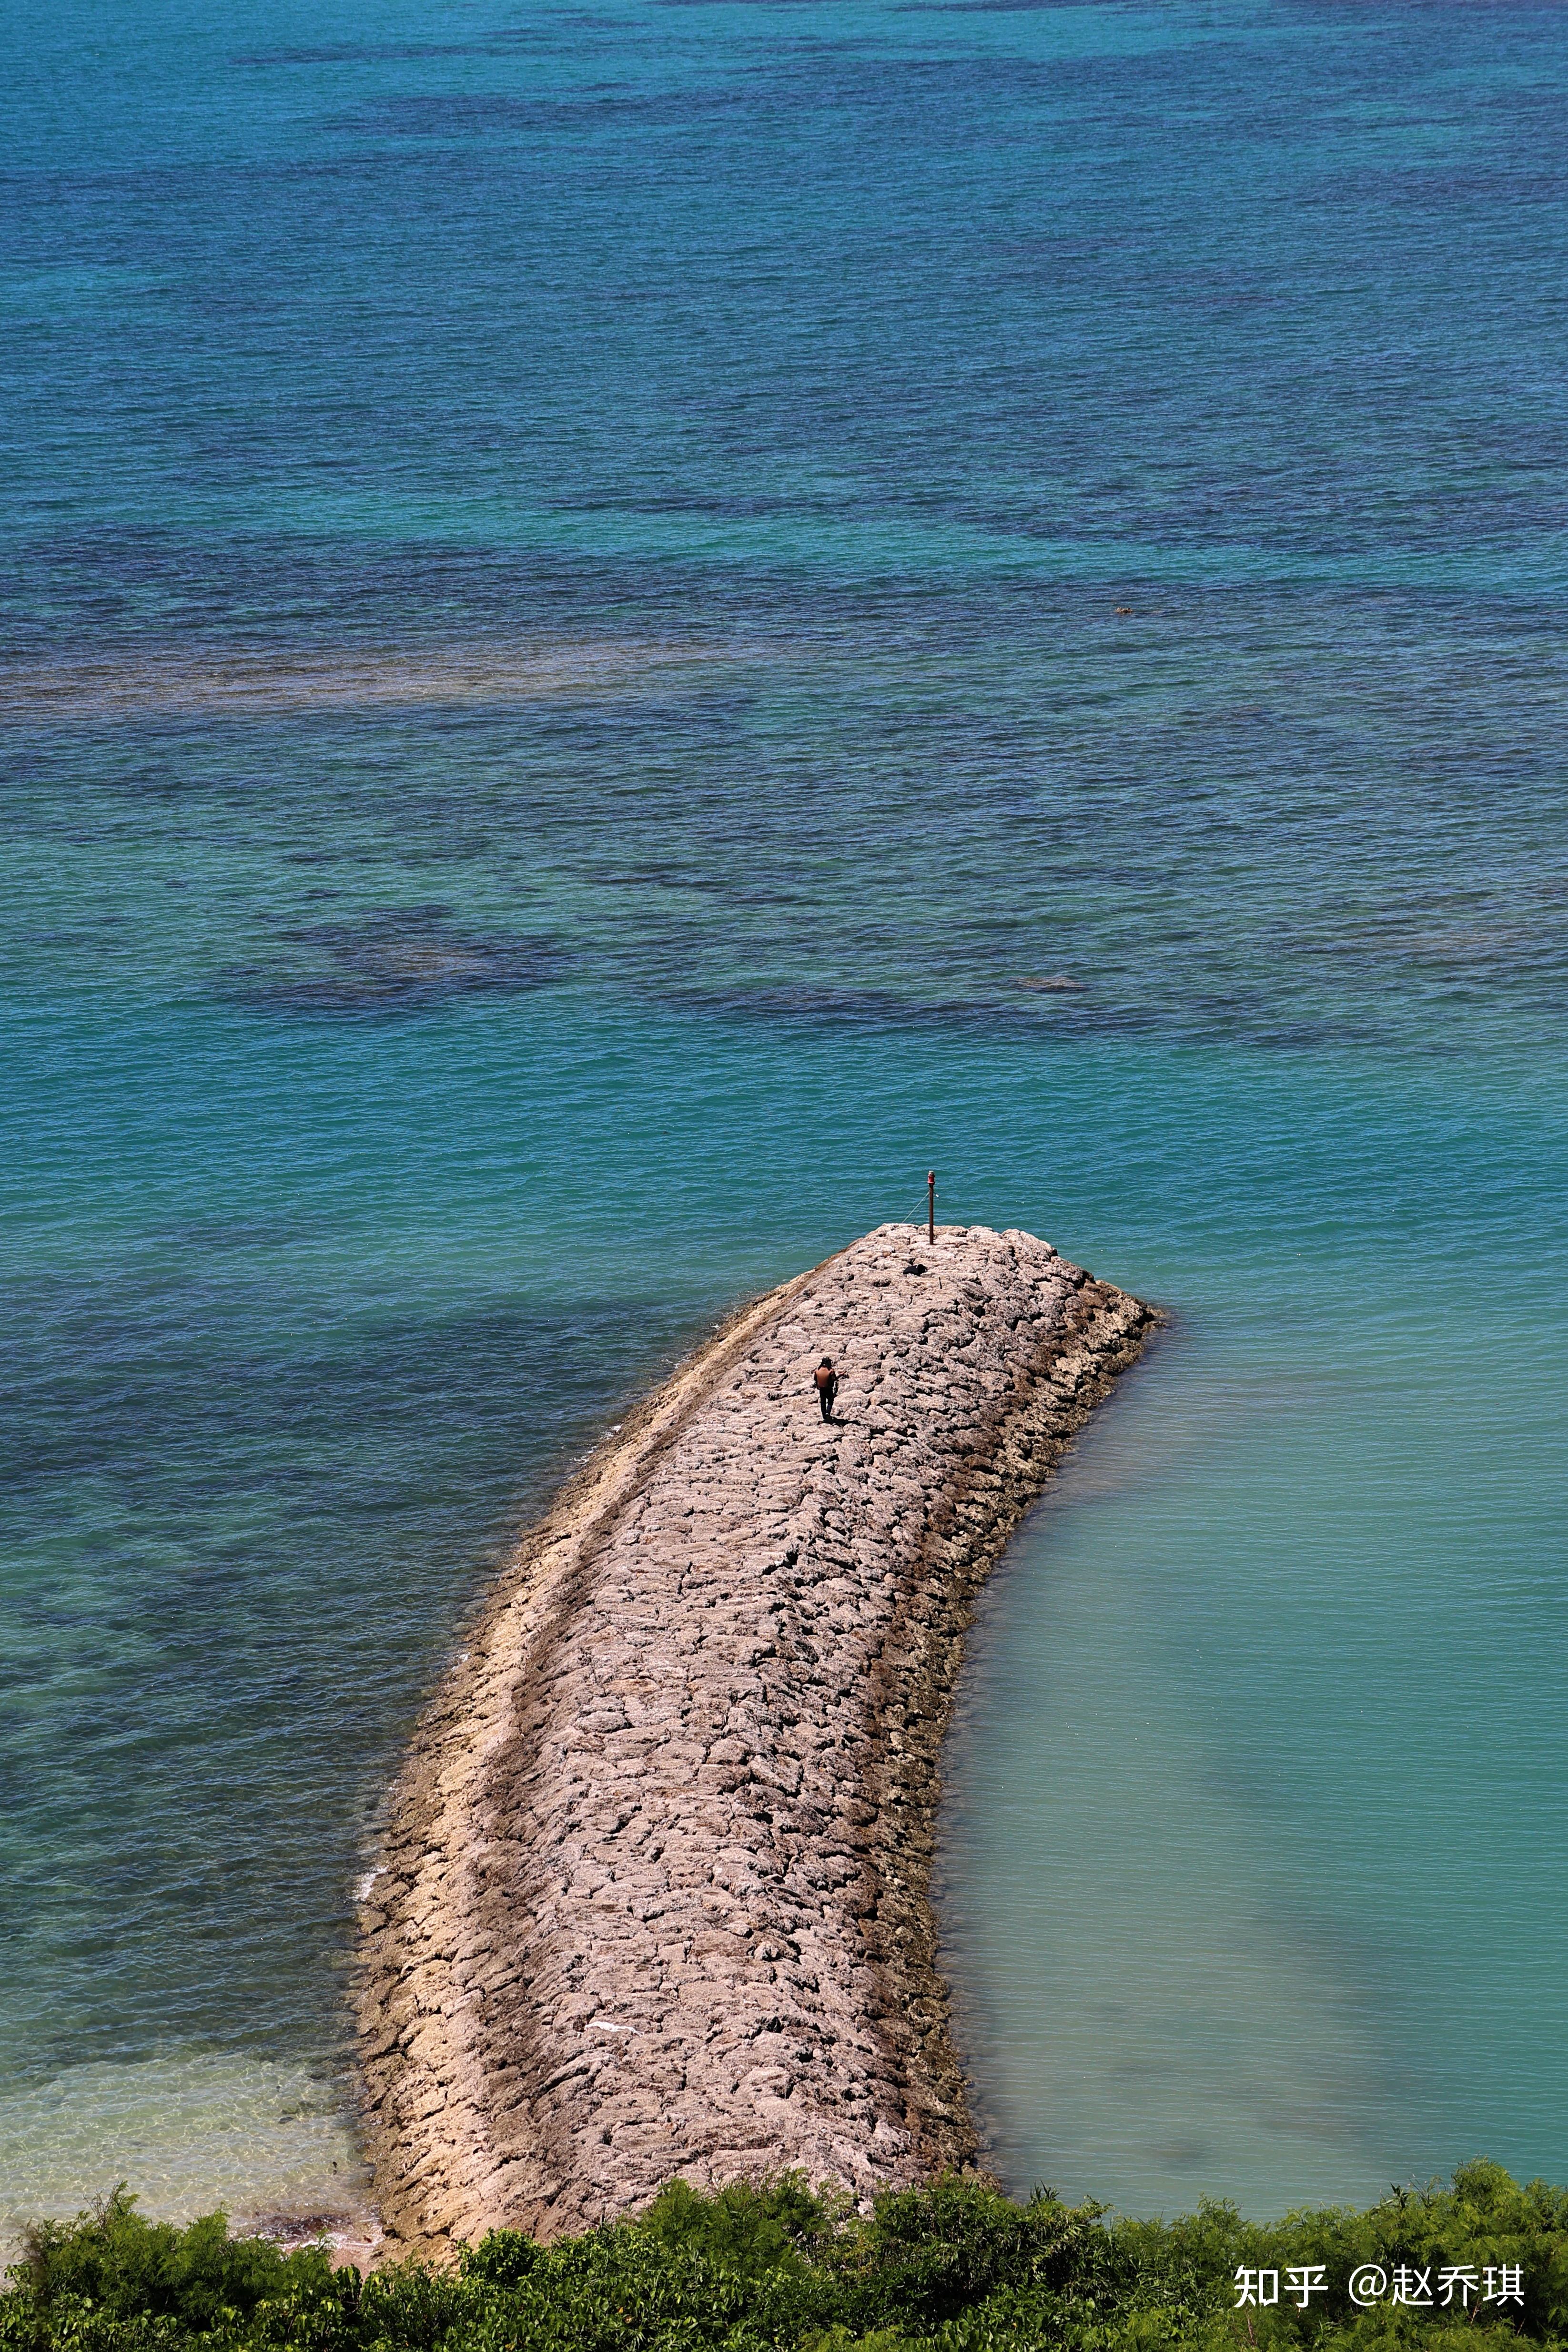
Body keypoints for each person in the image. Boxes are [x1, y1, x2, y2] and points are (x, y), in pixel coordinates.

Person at [814, 1357, 838, 1422]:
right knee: (830, 1401)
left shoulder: (817, 1371)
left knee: (823, 1402)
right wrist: (841, 1375)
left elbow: (815, 1380)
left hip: (821, 1389)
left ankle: (824, 1416)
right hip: (829, 1389)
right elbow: (834, 1379)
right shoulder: (831, 1371)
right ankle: (828, 1413)